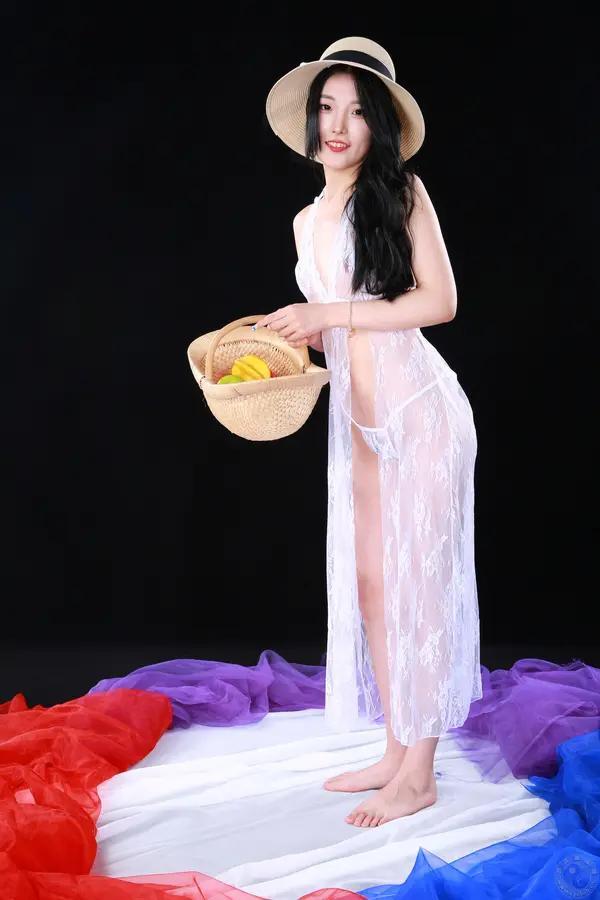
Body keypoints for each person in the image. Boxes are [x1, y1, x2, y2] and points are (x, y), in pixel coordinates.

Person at [256, 37, 483, 828]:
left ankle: (419, 775)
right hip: (358, 425)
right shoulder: (303, 221)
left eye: (355, 112)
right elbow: (339, 332)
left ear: (378, 125)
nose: (337, 125)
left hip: (423, 413)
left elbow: (438, 303)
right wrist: (294, 334)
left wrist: (327, 312)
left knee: (421, 589)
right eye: (327, 108)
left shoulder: (402, 193)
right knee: (374, 588)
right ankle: (394, 749)